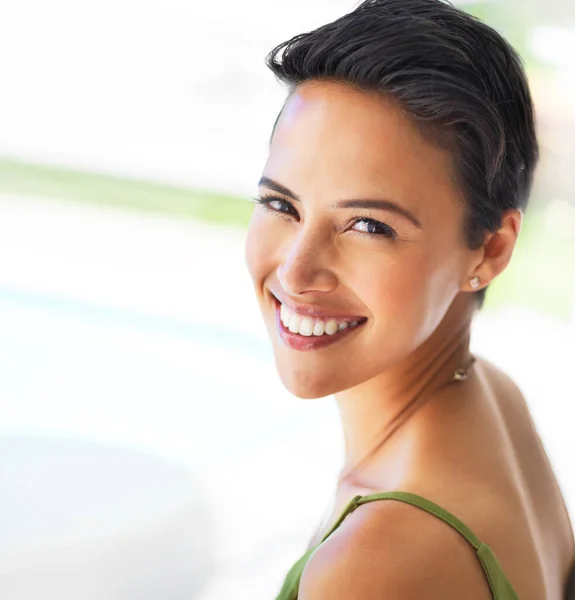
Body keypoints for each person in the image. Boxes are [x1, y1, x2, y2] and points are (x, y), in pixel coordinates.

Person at [243, 0, 575, 598]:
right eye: (281, 205)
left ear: (490, 251)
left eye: (369, 225)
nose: (296, 272)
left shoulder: (376, 561)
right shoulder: (491, 394)